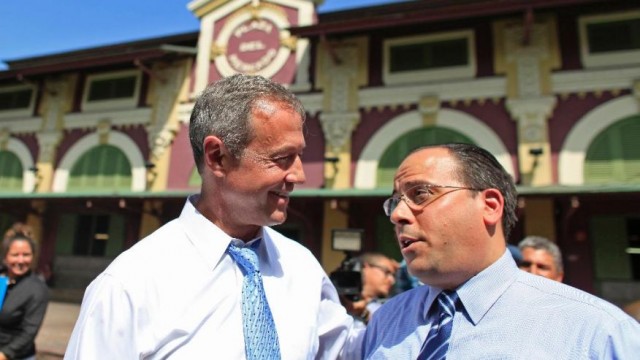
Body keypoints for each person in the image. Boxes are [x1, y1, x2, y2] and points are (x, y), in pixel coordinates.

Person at [65, 74, 362, 359]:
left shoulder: (302, 267)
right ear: (217, 156)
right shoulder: (129, 285)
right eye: (282, 158)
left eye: (299, 156)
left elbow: (348, 352)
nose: (299, 175)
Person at [362, 143, 640, 358]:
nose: (397, 214)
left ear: (491, 205)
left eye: (420, 194)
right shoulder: (386, 321)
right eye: (395, 201)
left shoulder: (597, 331)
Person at [0, 225, 49, 360]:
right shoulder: (1, 278)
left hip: (15, 355)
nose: (21, 260)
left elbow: (29, 332)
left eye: (26, 255)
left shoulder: (36, 289)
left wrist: (4, 354)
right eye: (15, 255)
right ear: (5, 257)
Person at [342, 252, 396, 327]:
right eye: (386, 272)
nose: (392, 280)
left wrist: (364, 314)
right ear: (366, 267)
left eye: (393, 275)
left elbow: (390, 331)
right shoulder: (340, 298)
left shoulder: (392, 306)